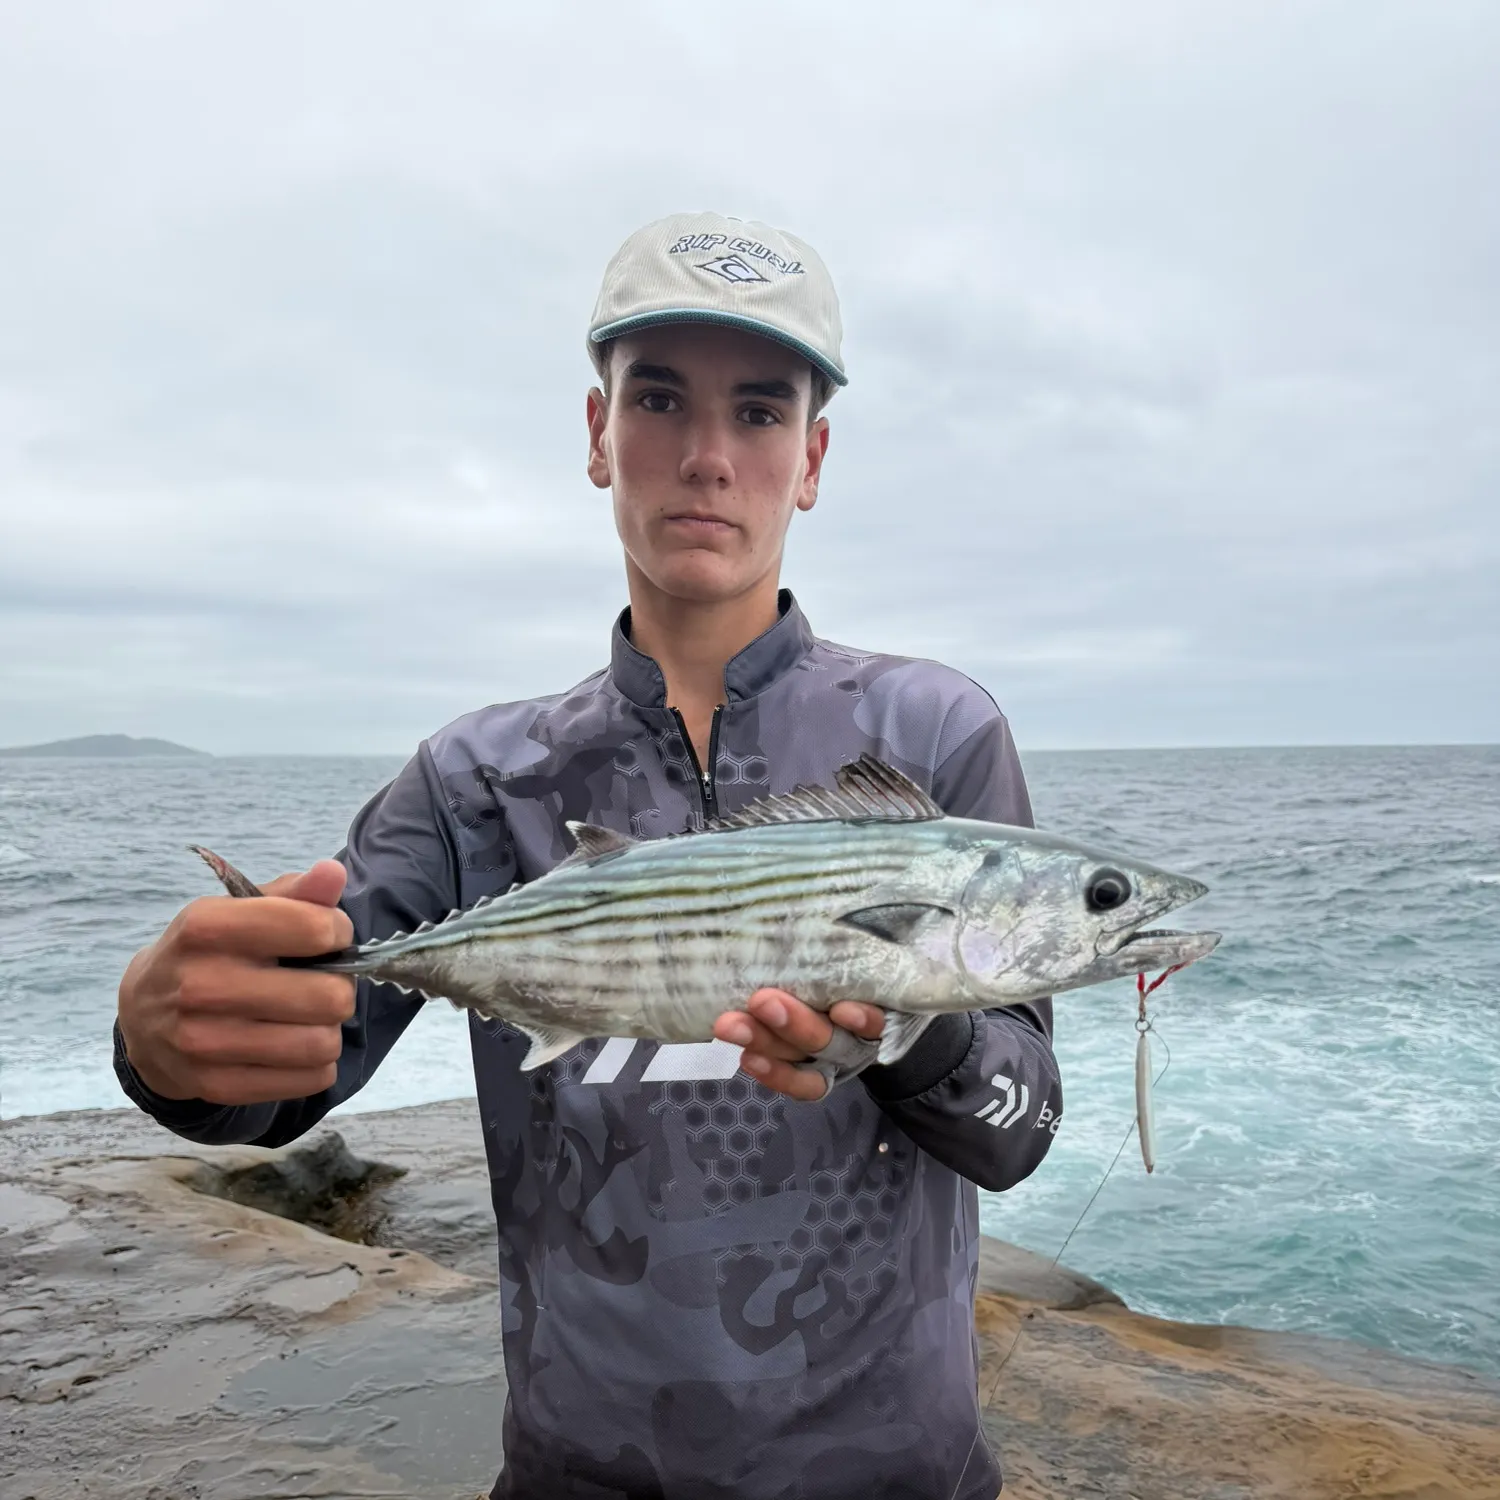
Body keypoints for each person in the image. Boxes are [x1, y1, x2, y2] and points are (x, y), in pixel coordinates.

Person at [114, 211, 1064, 1500]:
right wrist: (167, 1049)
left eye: (761, 411)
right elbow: (282, 1079)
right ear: (599, 433)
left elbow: (1019, 1127)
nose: (709, 457)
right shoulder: (477, 776)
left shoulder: (935, 735)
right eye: (659, 399)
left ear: (812, 458)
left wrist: (910, 1029)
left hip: (897, 1474)